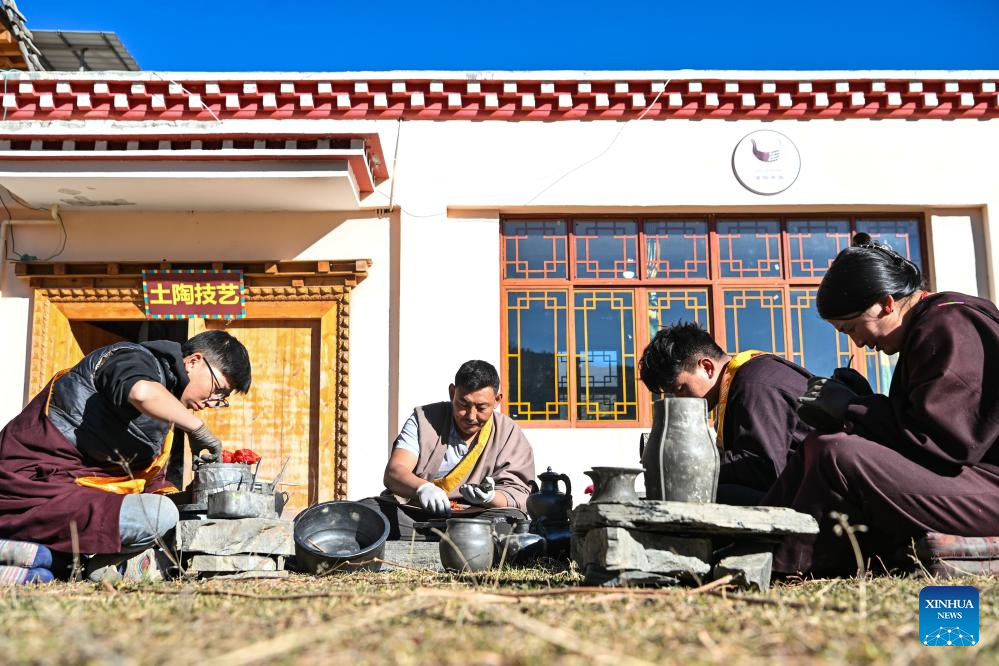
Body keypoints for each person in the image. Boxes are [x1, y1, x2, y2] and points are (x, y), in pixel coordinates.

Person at [763, 233, 999, 576]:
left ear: (887, 304)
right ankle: (756, 544)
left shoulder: (950, 324)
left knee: (837, 454)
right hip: (972, 483)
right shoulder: (932, 324)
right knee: (819, 443)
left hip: (988, 488)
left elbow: (946, 443)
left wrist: (854, 409)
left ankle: (784, 568)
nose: (858, 341)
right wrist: (862, 403)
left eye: (853, 327)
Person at [0, 330, 251, 579]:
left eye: (222, 399)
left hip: (78, 499)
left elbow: (149, 483)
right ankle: (53, 559)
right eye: (218, 390)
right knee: (160, 514)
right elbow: (141, 392)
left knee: (171, 516)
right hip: (31, 489)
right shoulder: (130, 357)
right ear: (194, 361)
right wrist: (197, 429)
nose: (213, 401)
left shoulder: (166, 412)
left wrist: (194, 499)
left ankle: (64, 564)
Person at [639, 322, 812, 505]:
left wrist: (688, 463)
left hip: (818, 498)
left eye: (681, 389)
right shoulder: (741, 381)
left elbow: (762, 467)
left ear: (707, 367)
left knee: (707, 497)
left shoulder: (754, 383)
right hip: (795, 488)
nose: (680, 400)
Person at [361, 360, 535, 540]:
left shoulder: (507, 432)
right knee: (367, 512)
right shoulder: (424, 420)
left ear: (497, 400)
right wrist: (423, 489)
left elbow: (519, 495)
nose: (471, 416)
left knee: (512, 521)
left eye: (481, 408)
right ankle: (461, 540)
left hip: (477, 517)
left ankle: (441, 538)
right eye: (463, 404)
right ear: (452, 392)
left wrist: (489, 497)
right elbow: (394, 472)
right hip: (418, 513)